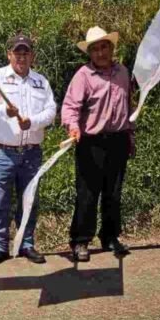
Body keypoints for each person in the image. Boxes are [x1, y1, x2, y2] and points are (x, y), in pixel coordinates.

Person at [61, 26, 134, 262]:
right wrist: (72, 126)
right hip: (90, 141)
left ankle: (110, 237)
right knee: (87, 194)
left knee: (114, 193)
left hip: (118, 140)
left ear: (111, 48)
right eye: (95, 49)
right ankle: (80, 241)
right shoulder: (83, 75)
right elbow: (71, 107)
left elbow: (129, 106)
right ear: (89, 53)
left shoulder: (123, 72)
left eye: (104, 47)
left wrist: (130, 136)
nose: (100, 52)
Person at [0, 34, 57, 267]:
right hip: (2, 152)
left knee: (29, 200)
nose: (21, 57)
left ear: (32, 55)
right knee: (0, 202)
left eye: (26, 52)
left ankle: (26, 243)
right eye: (17, 52)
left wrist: (33, 122)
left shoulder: (41, 82)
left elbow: (51, 112)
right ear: (9, 55)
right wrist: (4, 112)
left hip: (31, 152)